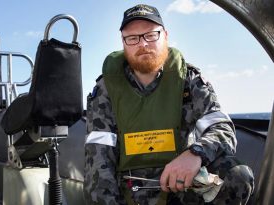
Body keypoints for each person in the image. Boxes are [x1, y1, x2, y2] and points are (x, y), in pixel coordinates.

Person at [84, 4, 254, 205]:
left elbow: (222, 129)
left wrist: (194, 154)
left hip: (184, 186)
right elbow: (99, 161)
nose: (143, 44)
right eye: (133, 38)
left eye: (151, 35)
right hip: (132, 192)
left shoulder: (189, 80)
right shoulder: (106, 88)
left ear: (165, 35)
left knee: (238, 175)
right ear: (123, 42)